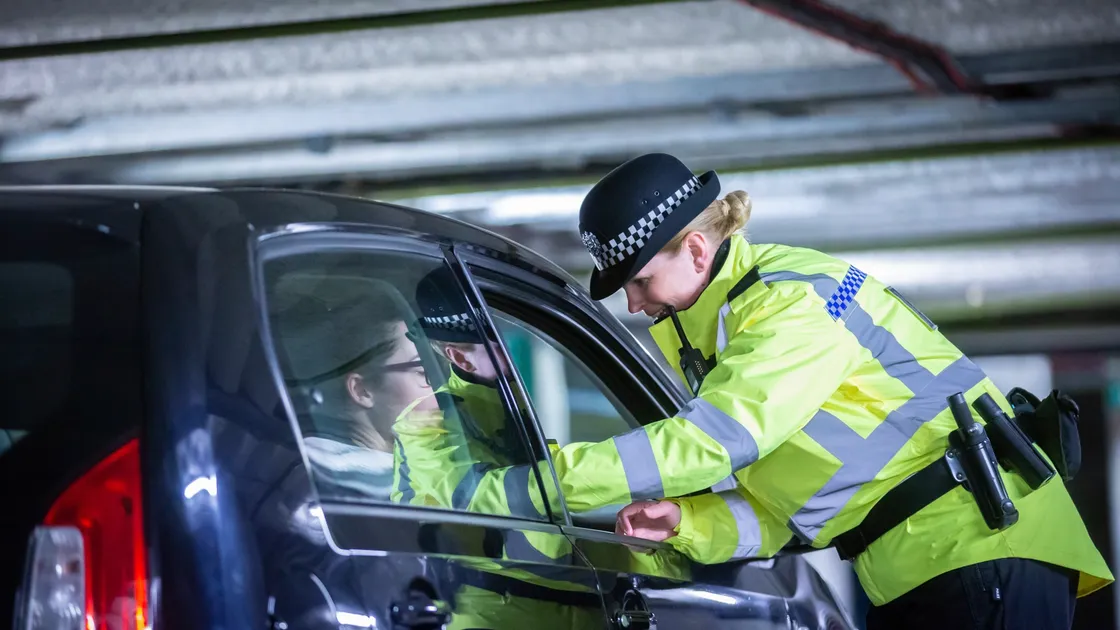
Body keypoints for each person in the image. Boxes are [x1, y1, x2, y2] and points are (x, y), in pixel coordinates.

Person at [568, 152, 1113, 628]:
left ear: (694, 250)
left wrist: (535, 486)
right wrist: (689, 522)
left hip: (978, 548)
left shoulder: (786, 304)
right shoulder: (724, 326)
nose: (634, 305)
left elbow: (711, 443)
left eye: (639, 281)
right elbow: (798, 504)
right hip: (927, 560)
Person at [270, 282, 437, 501]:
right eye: (423, 373)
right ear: (362, 390)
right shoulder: (349, 479)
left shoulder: (307, 463)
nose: (440, 391)